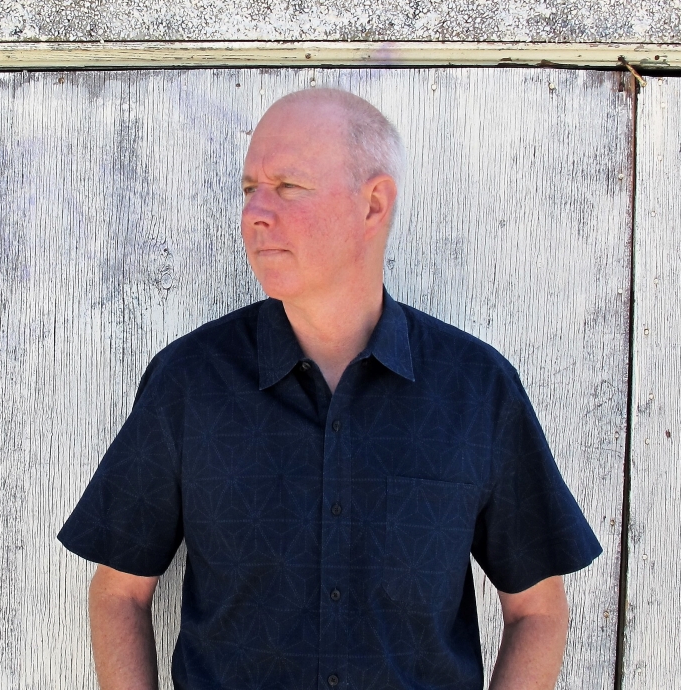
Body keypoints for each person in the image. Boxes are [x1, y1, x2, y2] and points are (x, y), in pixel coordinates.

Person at [58, 88, 602, 690]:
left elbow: (538, 611)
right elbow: (120, 594)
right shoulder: (191, 383)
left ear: (374, 204)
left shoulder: (474, 390)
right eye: (248, 190)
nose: (256, 213)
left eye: (288, 186)